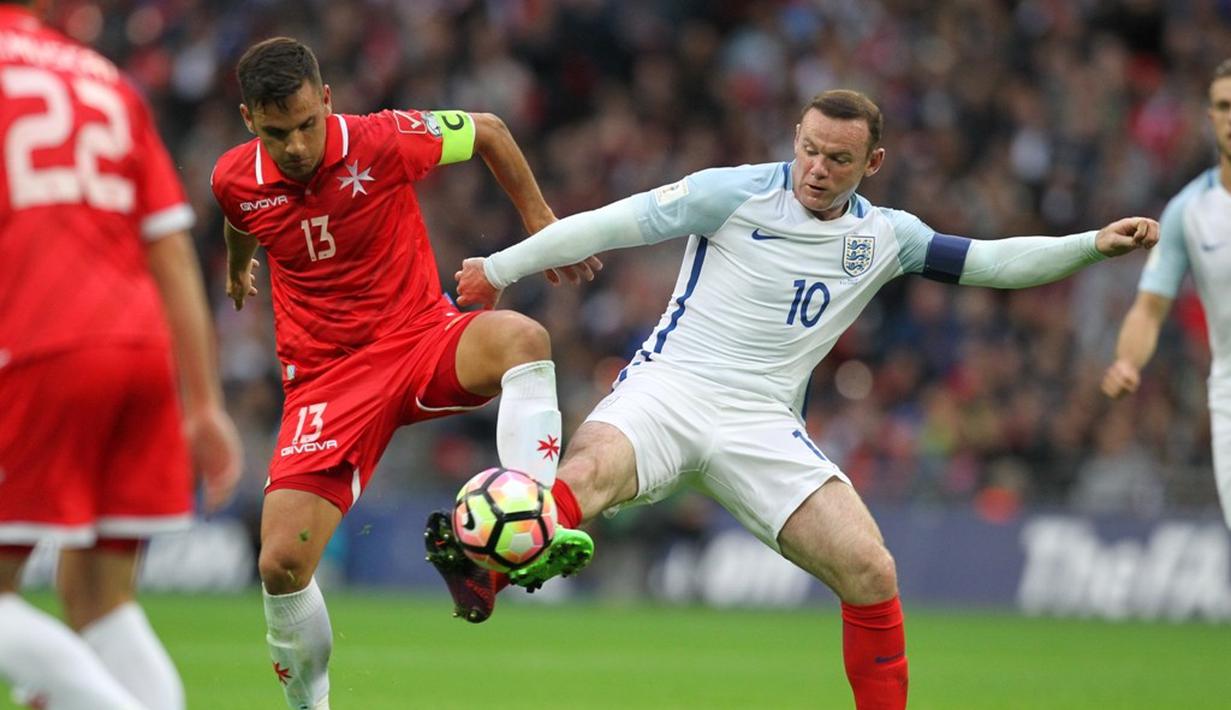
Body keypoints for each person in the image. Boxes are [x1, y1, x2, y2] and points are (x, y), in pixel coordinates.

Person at [442, 89, 1159, 709]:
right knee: (584, 476)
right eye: (809, 150)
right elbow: (613, 222)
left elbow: (993, 262)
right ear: (795, 138)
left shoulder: (886, 236)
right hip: (670, 389)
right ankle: (481, 568)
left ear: (871, 164)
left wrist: (1091, 243)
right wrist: (500, 267)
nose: (817, 169)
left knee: (870, 570)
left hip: (762, 424)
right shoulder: (732, 192)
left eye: (837, 159)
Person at [209, 37, 597, 710]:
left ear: (326, 101)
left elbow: (490, 131)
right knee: (280, 564)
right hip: (327, 381)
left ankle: (525, 524)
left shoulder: (381, 139)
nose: (297, 145)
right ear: (249, 121)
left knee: (523, 339)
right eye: (277, 134)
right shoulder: (232, 179)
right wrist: (238, 262)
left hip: (421, 337)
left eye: (306, 124)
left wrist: (538, 221)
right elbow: (240, 214)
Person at [0, 1, 243, 708]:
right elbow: (169, 248)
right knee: (99, 598)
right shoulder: (105, 80)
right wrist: (202, 405)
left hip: (44, 343)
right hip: (143, 354)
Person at [1103, 58, 1231, 530]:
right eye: (1223, 106)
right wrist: (1127, 361)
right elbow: (1150, 308)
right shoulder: (1186, 212)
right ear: (1209, 117)